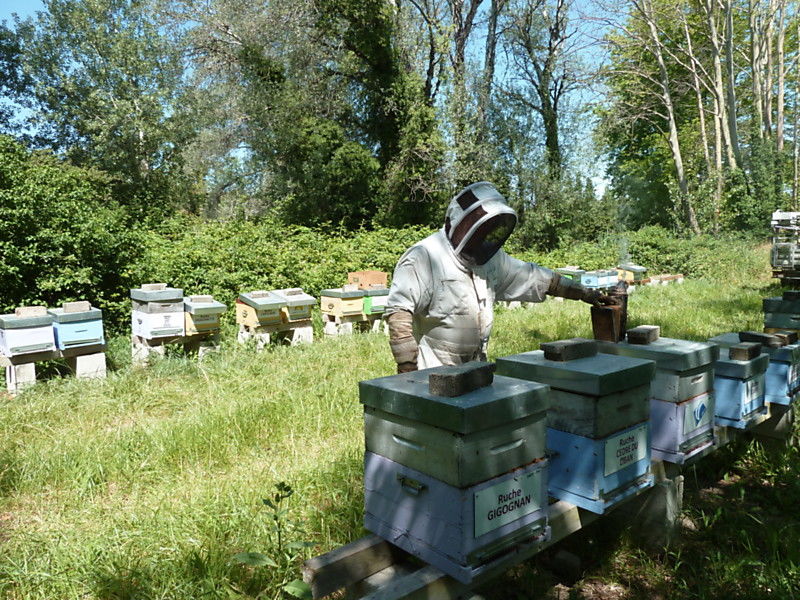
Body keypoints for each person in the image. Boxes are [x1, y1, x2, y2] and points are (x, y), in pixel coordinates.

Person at [385, 181, 617, 373]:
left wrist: (585, 293)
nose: (482, 238)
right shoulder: (424, 257)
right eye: (477, 230)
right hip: (432, 369)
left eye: (486, 231)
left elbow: (538, 278)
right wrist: (407, 373)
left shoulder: (491, 260)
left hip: (477, 367)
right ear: (453, 224)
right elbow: (398, 313)